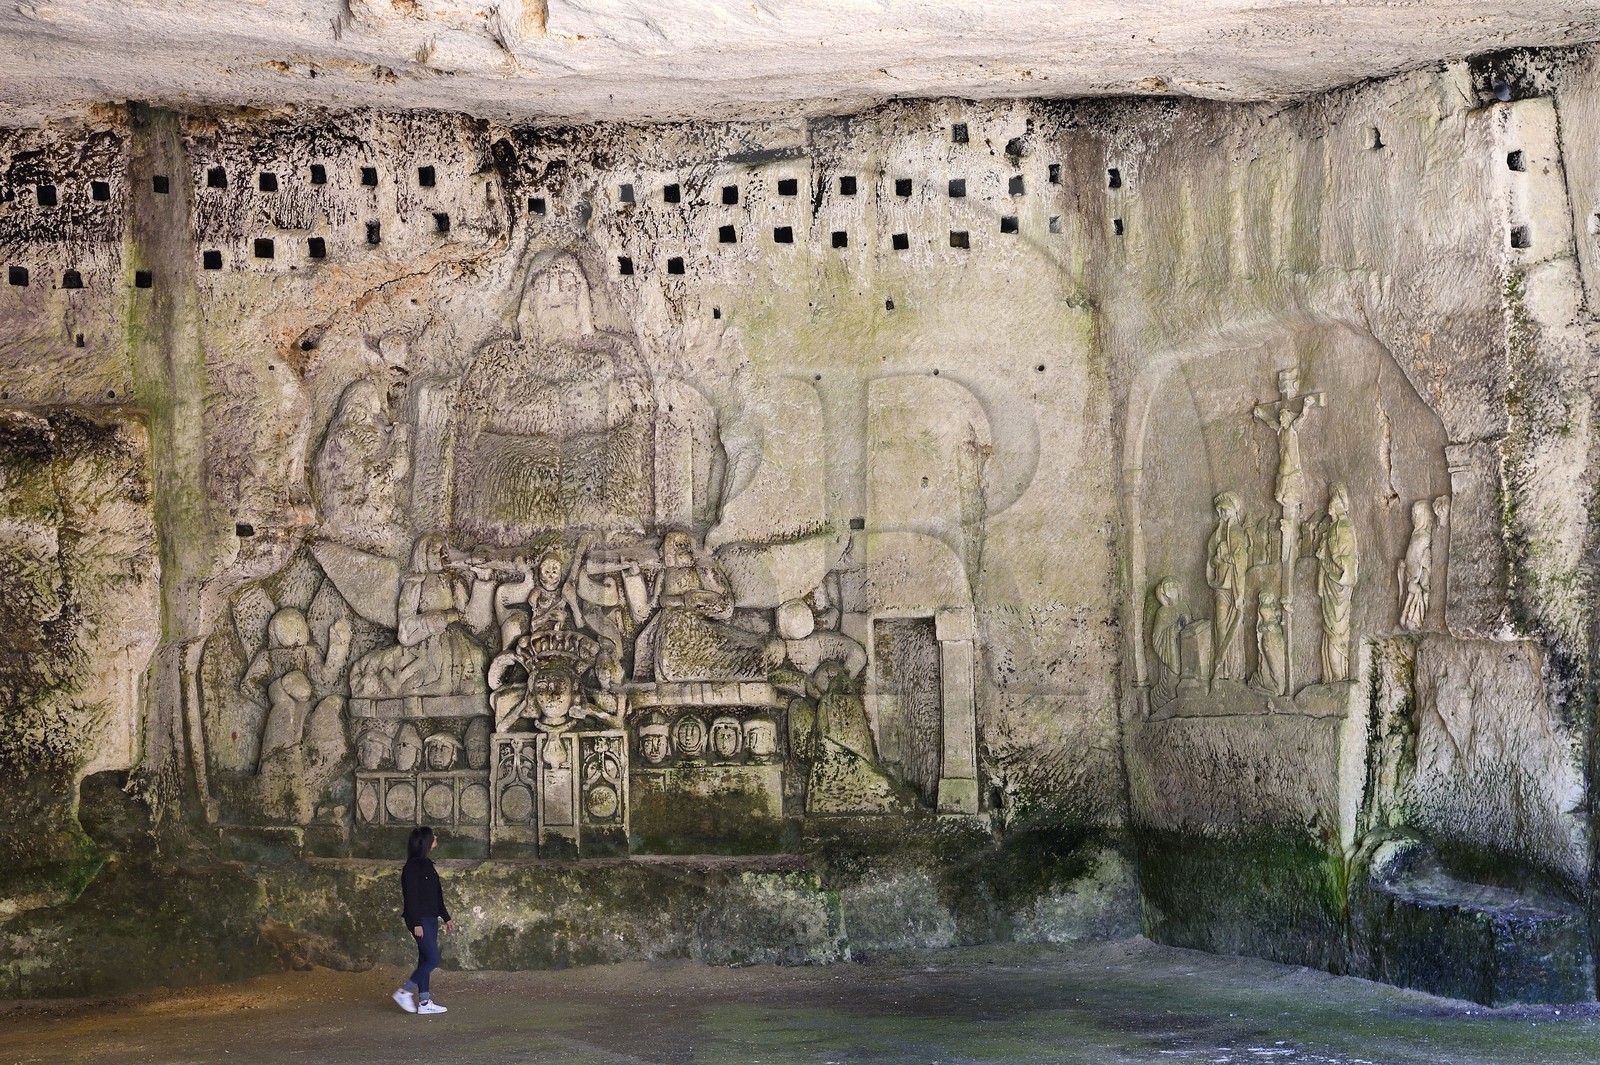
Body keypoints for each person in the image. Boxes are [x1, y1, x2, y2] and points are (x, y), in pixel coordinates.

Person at [393, 826, 455, 1015]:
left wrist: (446, 917)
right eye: (432, 836)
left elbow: (436, 895)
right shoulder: (411, 868)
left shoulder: (428, 864)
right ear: (424, 842)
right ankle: (404, 991)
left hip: (431, 918)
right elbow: (411, 898)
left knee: (425, 959)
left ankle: (425, 1002)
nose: (435, 838)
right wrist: (416, 923)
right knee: (433, 959)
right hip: (420, 921)